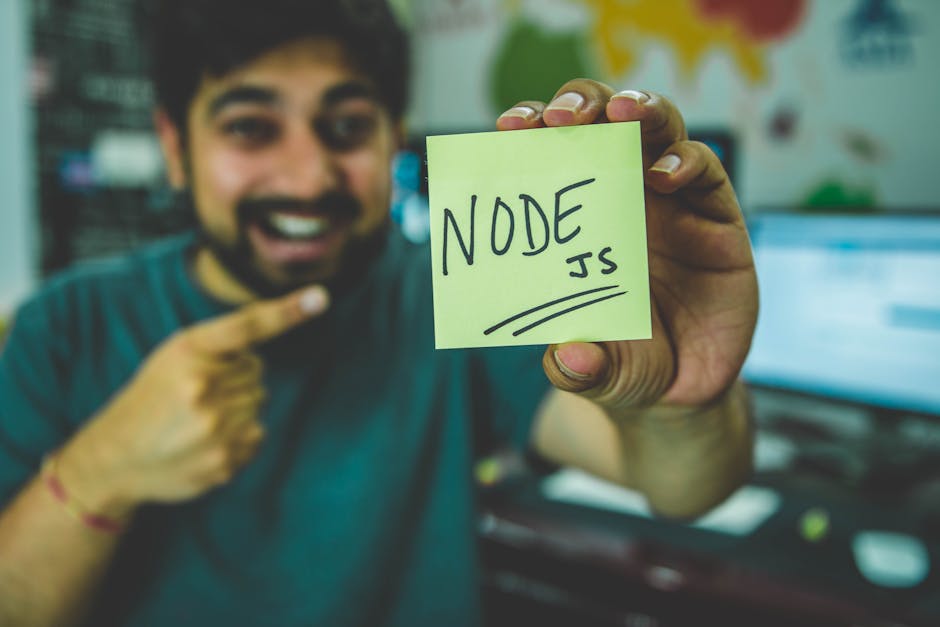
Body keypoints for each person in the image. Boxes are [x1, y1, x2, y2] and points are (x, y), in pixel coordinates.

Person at [0, 1, 757, 625]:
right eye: (250, 127)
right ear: (175, 145)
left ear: (394, 138)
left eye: (347, 126)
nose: (308, 174)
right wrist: (100, 471)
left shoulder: (453, 293)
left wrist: (684, 399)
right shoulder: (63, 329)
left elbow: (681, 485)